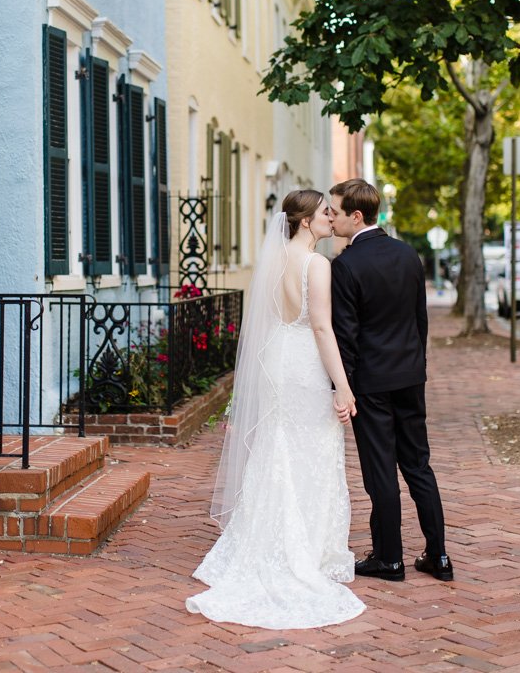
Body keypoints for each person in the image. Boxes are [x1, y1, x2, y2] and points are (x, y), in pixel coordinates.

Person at [186, 189, 366, 629]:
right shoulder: (316, 264)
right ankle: (305, 550)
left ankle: (265, 539)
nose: (330, 219)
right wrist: (343, 388)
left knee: (277, 445)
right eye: (325, 212)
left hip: (276, 363)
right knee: (314, 450)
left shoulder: (271, 261)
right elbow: (322, 328)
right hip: (305, 364)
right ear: (306, 221)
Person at [329, 178, 453, 583]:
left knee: (381, 470)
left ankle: (390, 559)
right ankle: (439, 557)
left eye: (336, 212)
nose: (332, 219)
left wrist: (341, 388)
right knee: (418, 465)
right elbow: (421, 321)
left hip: (371, 382)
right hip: (410, 375)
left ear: (357, 215)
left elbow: (345, 336)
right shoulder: (407, 255)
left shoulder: (346, 265)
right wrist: (419, 365)